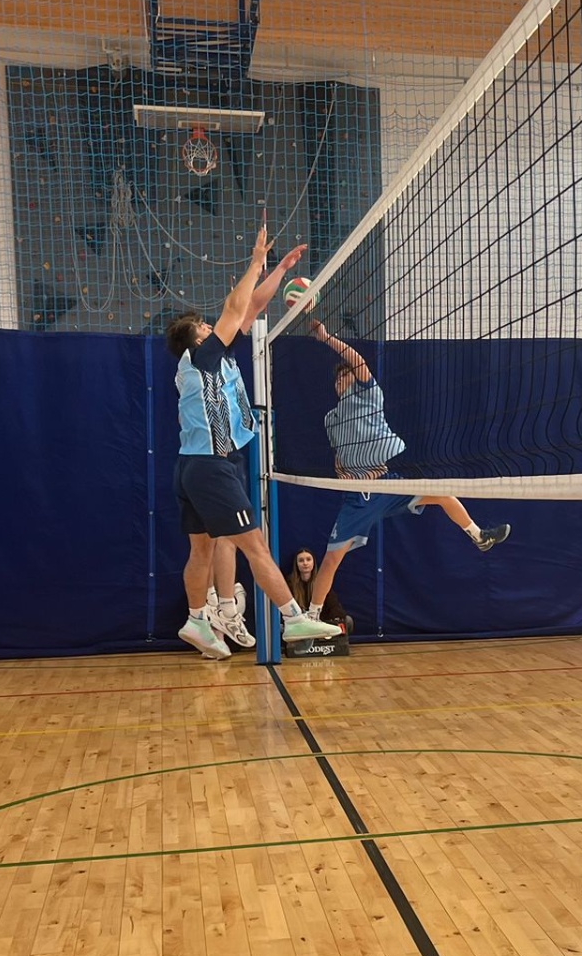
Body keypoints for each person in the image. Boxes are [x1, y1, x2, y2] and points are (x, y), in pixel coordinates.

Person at [168, 228, 341, 656]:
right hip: (212, 466)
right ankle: (293, 619)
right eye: (203, 326)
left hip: (192, 466)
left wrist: (280, 269)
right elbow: (234, 306)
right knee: (255, 544)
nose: (210, 325)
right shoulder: (202, 357)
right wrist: (255, 261)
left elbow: (251, 307)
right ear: (197, 339)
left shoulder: (214, 357)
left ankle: (196, 620)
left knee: (201, 550)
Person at [300, 319, 510, 620]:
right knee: (332, 559)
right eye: (337, 379)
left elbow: (358, 362)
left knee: (441, 493)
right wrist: (343, 475)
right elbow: (339, 456)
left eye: (346, 376)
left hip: (387, 483)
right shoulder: (331, 419)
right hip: (359, 496)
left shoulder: (369, 396)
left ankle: (479, 536)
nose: (341, 381)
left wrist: (326, 338)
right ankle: (311, 618)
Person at [285, 548, 350, 633]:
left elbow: (333, 605)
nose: (305, 563)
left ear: (313, 562)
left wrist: (338, 619)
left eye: (308, 559)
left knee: (347, 621)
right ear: (296, 564)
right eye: (301, 560)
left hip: (320, 622)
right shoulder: (290, 584)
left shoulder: (322, 582)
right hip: (299, 625)